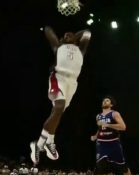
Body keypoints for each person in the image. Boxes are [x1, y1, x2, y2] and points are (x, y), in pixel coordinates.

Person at [30, 26, 92, 164]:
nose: (67, 35)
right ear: (61, 39)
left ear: (76, 40)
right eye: (65, 35)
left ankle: (46, 142)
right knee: (59, 107)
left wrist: (73, 36)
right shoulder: (58, 47)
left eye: (70, 34)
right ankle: (38, 144)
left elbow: (87, 32)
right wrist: (66, 38)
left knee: (57, 113)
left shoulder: (80, 50)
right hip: (59, 78)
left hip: (73, 83)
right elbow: (47, 30)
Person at [90, 96, 137, 175]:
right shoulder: (98, 116)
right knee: (99, 169)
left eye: (107, 100)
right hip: (101, 144)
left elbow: (123, 127)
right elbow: (100, 128)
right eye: (103, 100)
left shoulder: (115, 114)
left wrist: (109, 124)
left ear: (111, 105)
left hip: (114, 143)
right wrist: (95, 136)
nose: (104, 101)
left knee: (123, 167)